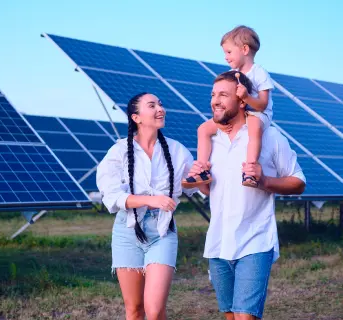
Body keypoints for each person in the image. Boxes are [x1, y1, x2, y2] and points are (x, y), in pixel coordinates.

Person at [187, 71, 306, 320]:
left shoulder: (270, 137)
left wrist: (264, 181)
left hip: (255, 240)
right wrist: (201, 181)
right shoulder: (210, 140)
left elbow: (298, 182)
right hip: (219, 242)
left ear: (242, 100)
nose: (214, 101)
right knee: (230, 316)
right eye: (213, 95)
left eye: (223, 95)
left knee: (245, 317)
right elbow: (210, 190)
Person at [97, 92, 197, 320]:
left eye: (160, 104)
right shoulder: (119, 151)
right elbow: (111, 196)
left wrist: (204, 176)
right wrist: (150, 199)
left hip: (162, 231)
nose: (160, 109)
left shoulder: (177, 150)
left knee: (154, 310)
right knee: (134, 310)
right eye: (152, 105)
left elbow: (195, 186)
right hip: (127, 231)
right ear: (136, 117)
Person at [185, 25, 274, 188]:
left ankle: (250, 170)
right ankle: (202, 169)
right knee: (203, 129)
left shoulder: (259, 73)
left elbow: (263, 104)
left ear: (245, 49)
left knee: (253, 125)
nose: (226, 57)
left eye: (229, 52)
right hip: (238, 116)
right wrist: (219, 121)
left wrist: (247, 97)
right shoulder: (231, 74)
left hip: (258, 114)